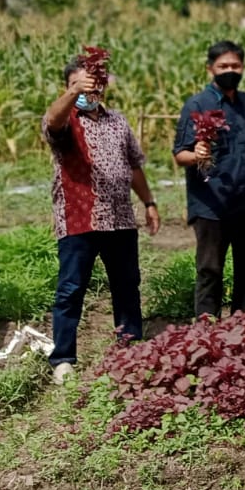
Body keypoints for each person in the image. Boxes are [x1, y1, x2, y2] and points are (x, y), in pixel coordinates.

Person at [42, 55, 161, 384]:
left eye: (92, 84)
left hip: (121, 219)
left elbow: (134, 165)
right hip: (79, 220)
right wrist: (71, 94)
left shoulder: (118, 121)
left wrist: (149, 202)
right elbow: (51, 121)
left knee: (126, 286)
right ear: (69, 87)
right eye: (78, 85)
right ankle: (63, 359)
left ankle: (130, 348)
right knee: (71, 289)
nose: (87, 90)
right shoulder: (66, 121)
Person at [174, 41, 245, 319]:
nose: (230, 70)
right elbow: (180, 154)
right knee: (210, 270)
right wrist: (198, 155)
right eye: (223, 66)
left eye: (235, 66)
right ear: (210, 69)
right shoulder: (197, 105)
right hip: (212, 205)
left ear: (243, 68)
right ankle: (207, 334)